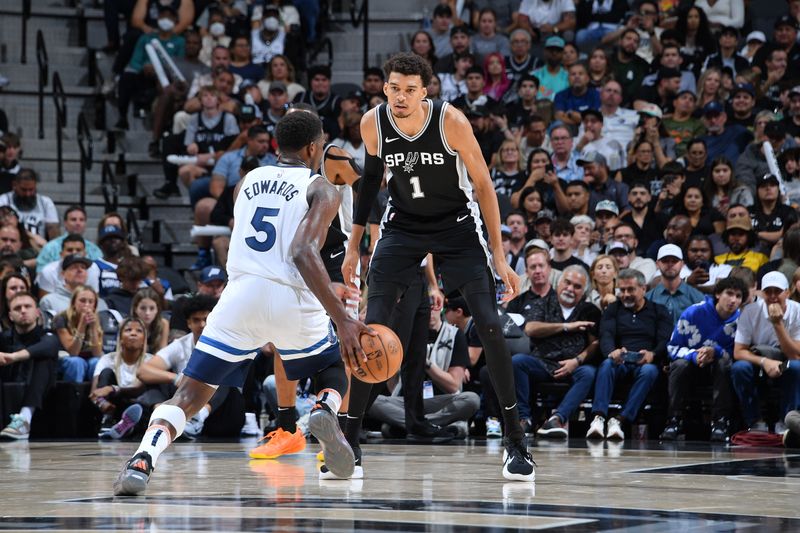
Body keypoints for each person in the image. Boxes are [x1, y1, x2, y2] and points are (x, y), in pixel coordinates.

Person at [113, 110, 369, 495]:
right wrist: (343, 319)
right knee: (334, 367)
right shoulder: (321, 188)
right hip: (292, 297)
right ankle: (323, 409)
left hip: (240, 296)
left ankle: (144, 457)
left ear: (276, 145)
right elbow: (302, 250)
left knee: (189, 395)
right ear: (314, 147)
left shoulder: (245, 181)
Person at [341, 53, 534, 482]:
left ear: (425, 92)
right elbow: (371, 181)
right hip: (402, 227)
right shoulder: (373, 123)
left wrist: (500, 256)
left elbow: (484, 185)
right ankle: (348, 442)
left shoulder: (451, 122)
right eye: (393, 87)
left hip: (458, 228)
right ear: (385, 87)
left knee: (487, 322)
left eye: (410, 89)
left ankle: (515, 439)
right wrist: (355, 246)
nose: (400, 96)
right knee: (373, 330)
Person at [513, 265, 601, 438]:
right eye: (567, 283)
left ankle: (557, 418)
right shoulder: (542, 303)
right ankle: (524, 419)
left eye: (577, 287)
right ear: (558, 283)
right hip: (543, 363)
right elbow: (530, 329)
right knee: (517, 362)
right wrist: (566, 327)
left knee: (589, 373)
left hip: (574, 365)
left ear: (583, 292)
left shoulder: (590, 310)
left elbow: (595, 343)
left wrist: (577, 360)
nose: (570, 289)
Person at [368, 305, 480, 438]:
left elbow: (453, 385)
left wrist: (426, 364)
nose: (430, 312)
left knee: (472, 399)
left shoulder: (455, 334)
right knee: (369, 400)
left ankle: (411, 425)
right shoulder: (403, 334)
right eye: (425, 308)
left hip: (441, 402)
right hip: (407, 402)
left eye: (433, 307)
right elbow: (393, 387)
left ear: (441, 307)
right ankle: (431, 425)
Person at [587, 268, 672, 440]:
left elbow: (665, 340)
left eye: (630, 290)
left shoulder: (659, 311)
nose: (625, 294)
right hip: (621, 361)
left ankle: (620, 420)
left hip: (645, 362)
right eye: (622, 290)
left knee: (650, 371)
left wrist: (653, 354)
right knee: (606, 364)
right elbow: (606, 335)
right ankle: (598, 418)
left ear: (643, 289)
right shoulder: (613, 309)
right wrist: (612, 352)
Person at [661, 277, 748, 442]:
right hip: (691, 367)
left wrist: (715, 351)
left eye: (738, 296)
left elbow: (738, 353)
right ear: (717, 294)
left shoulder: (741, 321)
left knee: (724, 364)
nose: (733, 300)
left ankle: (720, 422)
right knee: (679, 364)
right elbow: (672, 348)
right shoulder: (694, 312)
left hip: (720, 371)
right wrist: (695, 355)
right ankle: (673, 420)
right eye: (729, 294)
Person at [732, 272, 800, 431]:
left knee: (797, 367)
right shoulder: (750, 311)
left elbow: (795, 356)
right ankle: (755, 420)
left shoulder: (797, 311)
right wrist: (765, 362)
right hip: (761, 362)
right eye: (768, 291)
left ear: (787, 292)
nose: (773, 296)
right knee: (739, 368)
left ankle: (786, 421)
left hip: (785, 363)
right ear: (761, 293)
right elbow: (739, 351)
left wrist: (778, 324)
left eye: (778, 291)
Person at [0, 291, 60, 440]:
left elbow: (49, 346)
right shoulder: (4, 337)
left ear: (37, 312)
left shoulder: (48, 336)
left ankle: (24, 419)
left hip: (41, 390)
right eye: (17, 308)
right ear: (10, 315)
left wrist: (13, 357)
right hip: (8, 384)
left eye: (28, 306)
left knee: (44, 359)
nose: (23, 310)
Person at [90, 317, 151, 440]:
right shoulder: (107, 359)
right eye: (128, 330)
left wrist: (113, 388)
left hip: (139, 404)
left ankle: (128, 427)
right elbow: (94, 393)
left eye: (138, 331)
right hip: (114, 407)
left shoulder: (151, 361)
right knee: (106, 372)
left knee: (149, 393)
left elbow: (139, 389)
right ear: (120, 338)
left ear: (144, 339)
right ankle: (109, 421)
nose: (133, 333)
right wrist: (102, 402)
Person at [53, 285, 104, 383]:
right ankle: (74, 396)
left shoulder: (98, 319)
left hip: (89, 358)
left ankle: (96, 396)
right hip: (66, 359)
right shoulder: (61, 318)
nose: (87, 305)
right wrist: (82, 326)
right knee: (76, 362)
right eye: (82, 301)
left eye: (90, 301)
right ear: (73, 303)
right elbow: (73, 352)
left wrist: (93, 328)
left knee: (97, 362)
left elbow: (97, 353)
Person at [646, 244, 705, 323]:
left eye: (674, 261)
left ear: (682, 264)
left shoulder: (697, 297)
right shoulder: (648, 298)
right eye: (665, 261)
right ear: (657, 264)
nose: (670, 264)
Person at [35, 206, 102, 273]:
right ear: (65, 223)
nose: (78, 223)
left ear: (85, 223)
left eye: (81, 220)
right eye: (73, 219)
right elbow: (41, 273)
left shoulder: (94, 250)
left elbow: (99, 272)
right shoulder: (50, 248)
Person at [0, 169, 60, 240]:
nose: (27, 194)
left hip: (39, 248)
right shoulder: (4, 200)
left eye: (31, 190)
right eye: (24, 190)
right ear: (14, 185)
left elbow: (53, 230)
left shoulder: (45, 203)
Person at [131, 288, 169, 355]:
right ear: (135, 309)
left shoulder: (163, 324)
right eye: (143, 308)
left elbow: (162, 355)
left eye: (152, 308)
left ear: (157, 309)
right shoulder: (128, 325)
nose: (147, 313)